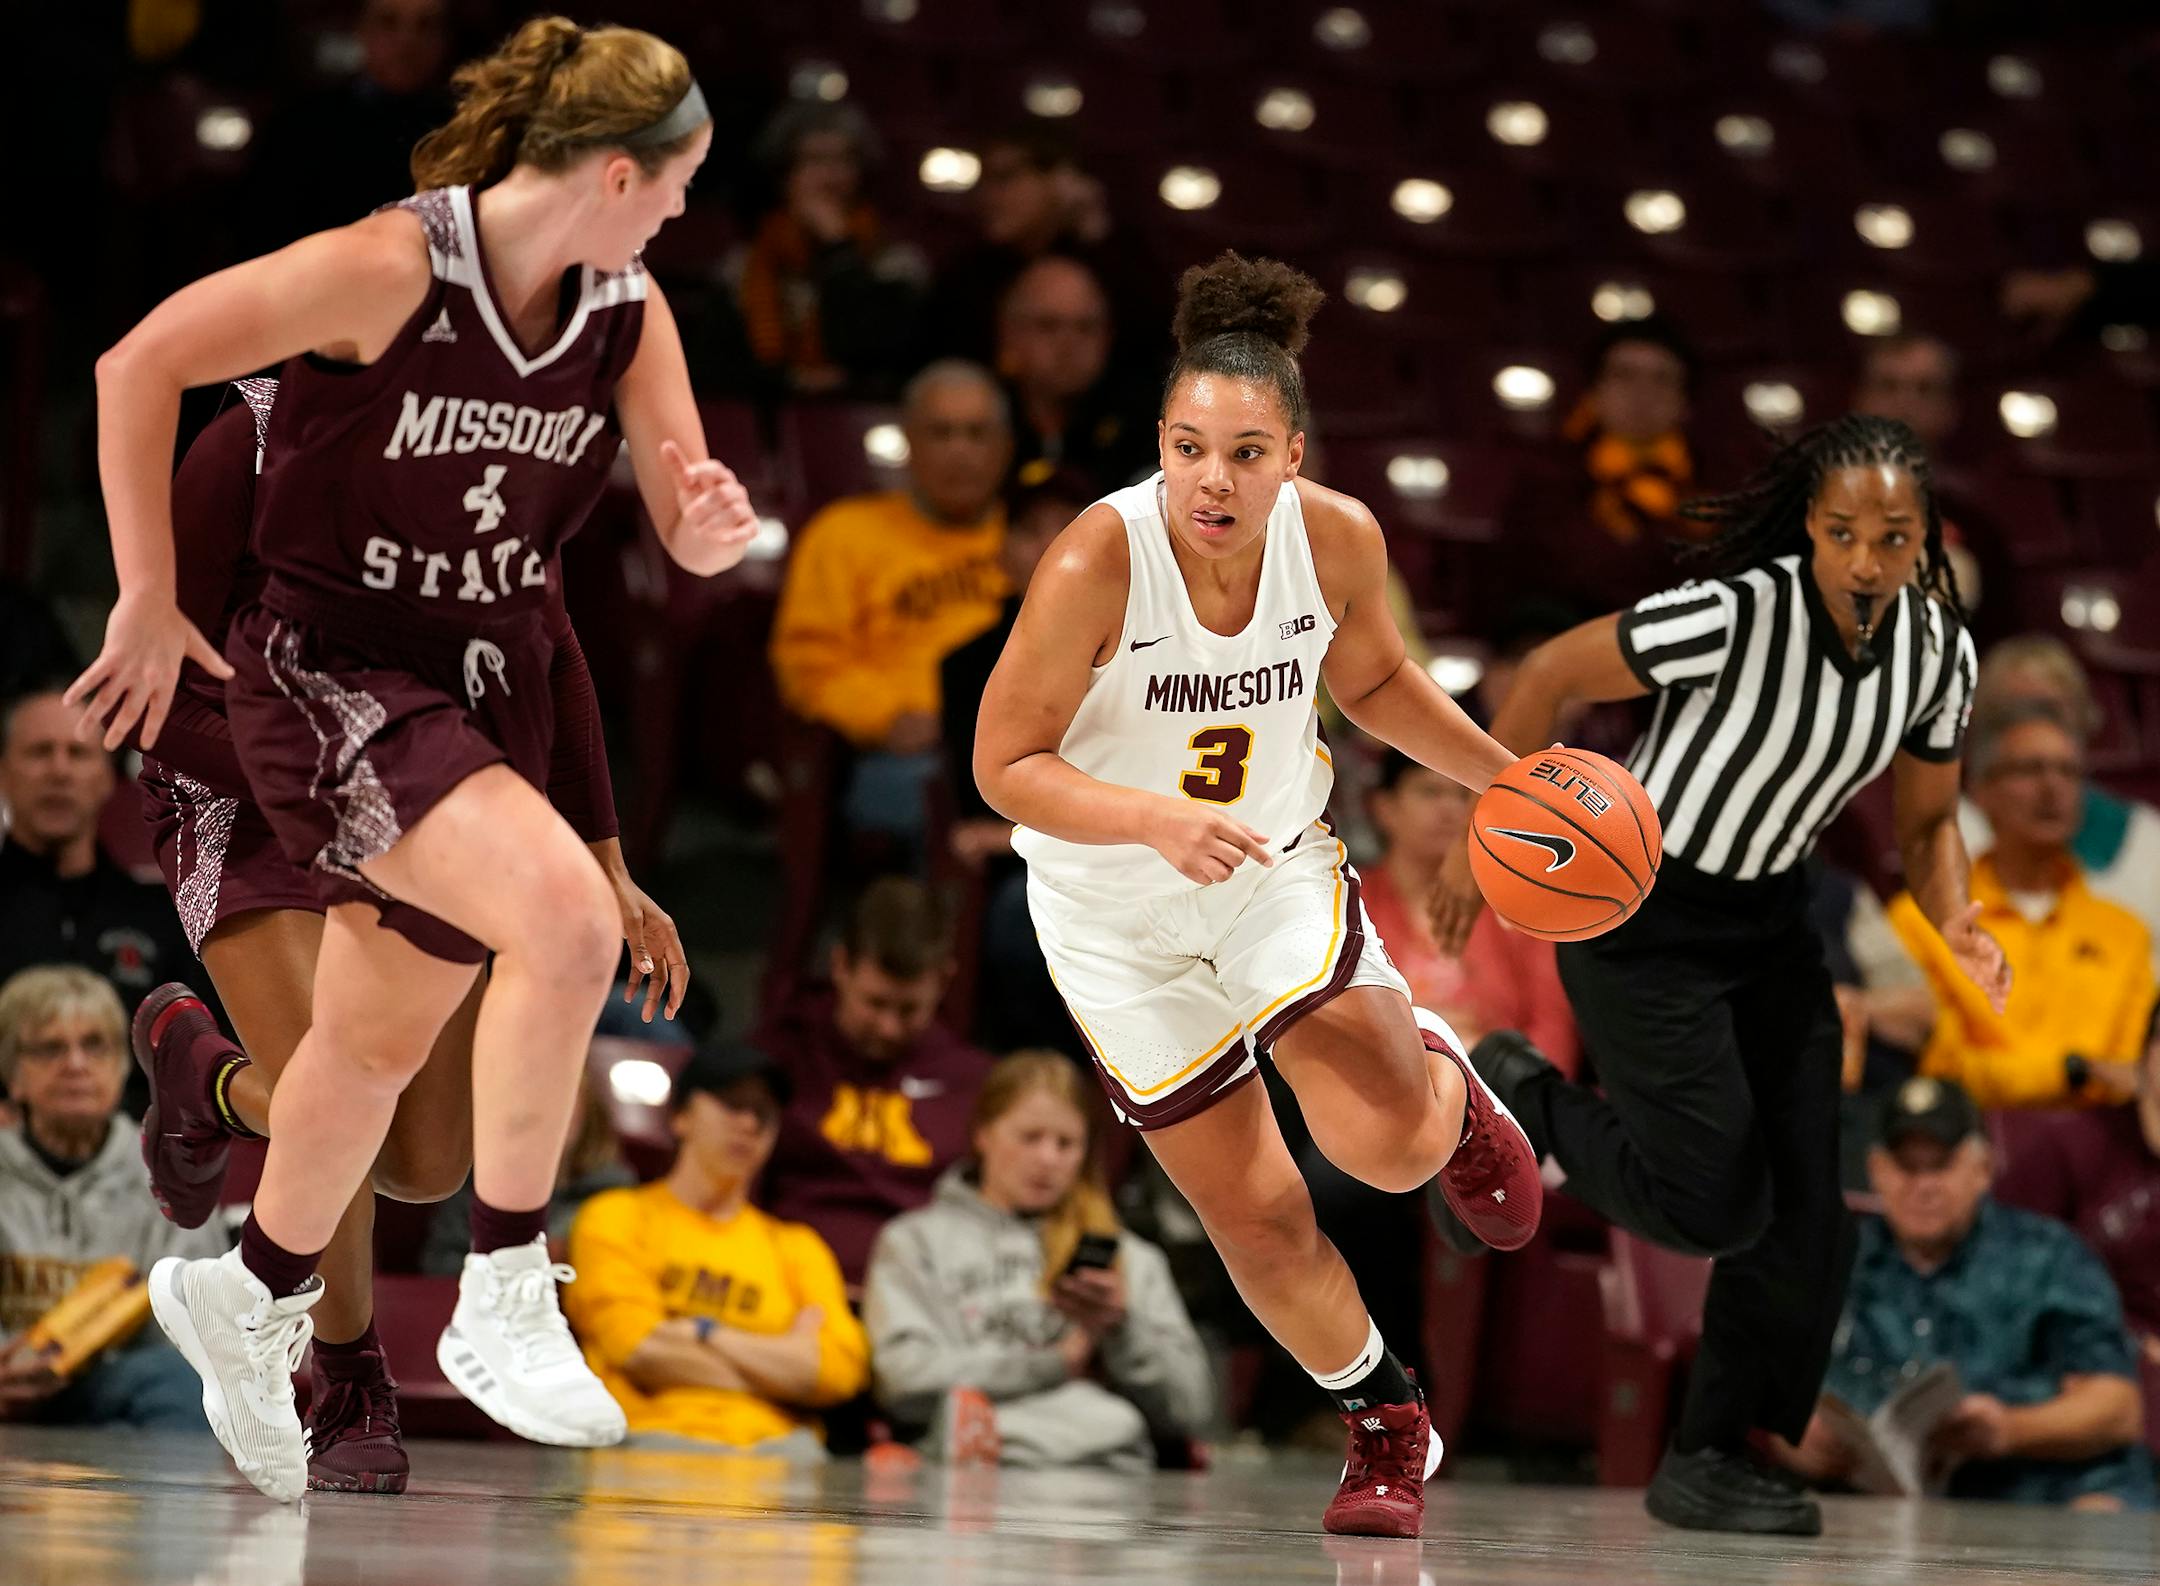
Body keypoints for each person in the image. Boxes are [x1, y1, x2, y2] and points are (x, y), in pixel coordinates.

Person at [68, 16, 758, 1503]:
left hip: (477, 695)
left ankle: (246, 1291)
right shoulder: (392, 267)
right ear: (618, 171)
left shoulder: (628, 309)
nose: (686, 213)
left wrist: (708, 530)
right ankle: (506, 1285)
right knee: (563, 919)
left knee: (376, 1063)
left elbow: (677, 519)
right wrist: (143, 594)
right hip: (329, 676)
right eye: (680, 183)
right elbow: (138, 361)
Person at [974, 252, 1543, 1538]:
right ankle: (1385, 1418)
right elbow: (1003, 764)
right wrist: (1154, 820)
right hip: (1112, 917)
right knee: (1259, 1215)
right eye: (1188, 450)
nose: (1213, 481)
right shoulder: (1095, 559)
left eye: (1243, 453)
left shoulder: (1335, 537)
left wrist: (1505, 778)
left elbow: (1376, 682)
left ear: (1294, 455)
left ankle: (1451, 1097)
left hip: (1268, 870)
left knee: (1383, 1148)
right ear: (1159, 447)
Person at [1432, 413, 2008, 1535]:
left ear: (1924, 538)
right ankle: (1519, 1095)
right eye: (1843, 533)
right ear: (1810, 526)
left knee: (1809, 1220)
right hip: (1642, 908)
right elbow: (1550, 670)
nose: (1866, 560)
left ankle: (1710, 1455)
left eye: (1893, 538)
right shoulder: (1738, 611)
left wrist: (1957, 918)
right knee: (1713, 1201)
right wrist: (1479, 827)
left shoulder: (1941, 652)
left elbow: (1929, 821)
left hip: (1772, 920)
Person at [118, 370, 684, 1496]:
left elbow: (555, 653)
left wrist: (607, 861)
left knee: (424, 1163)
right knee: (341, 1099)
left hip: (410, 797)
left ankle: (203, 1077)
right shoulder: (244, 446)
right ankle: (347, 1377)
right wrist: (322, 784)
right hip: (248, 794)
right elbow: (158, 696)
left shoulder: (497, 452)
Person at [1778, 1076, 2153, 1510]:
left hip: (2032, 1493)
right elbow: (1775, 1398)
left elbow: (2117, 1409)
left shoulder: (2048, 1256)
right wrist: (1796, 1441)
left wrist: (2010, 1429)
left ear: (1983, 1169)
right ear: (1877, 1170)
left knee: (2103, 1511)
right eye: (1906, 1167)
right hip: (1869, 1504)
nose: (1924, 1186)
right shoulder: (1836, 1260)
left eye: (1941, 1165)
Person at [864, 1050, 1214, 1468]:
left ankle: (999, 1437)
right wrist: (1054, 1364)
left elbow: (1193, 1409)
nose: (1048, 1159)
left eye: (1066, 1144)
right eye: (1030, 1138)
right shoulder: (914, 1243)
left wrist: (1122, 1329)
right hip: (964, 1475)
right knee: (1107, 1424)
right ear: (983, 1135)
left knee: (1112, 1423)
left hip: (1100, 1471)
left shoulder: (1130, 1259)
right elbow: (903, 1381)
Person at [564, 1040, 868, 1457]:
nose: (749, 1123)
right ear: (682, 1117)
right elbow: (637, 1348)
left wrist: (703, 1333)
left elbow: (839, 1372)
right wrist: (784, 1374)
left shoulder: (797, 1246)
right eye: (732, 1104)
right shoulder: (616, 1217)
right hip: (650, 1440)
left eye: (764, 1113)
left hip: (780, 1452)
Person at [768, 360, 1012, 850]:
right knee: (938, 793)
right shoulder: (844, 534)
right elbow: (806, 663)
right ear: (910, 443)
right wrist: (886, 718)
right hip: (903, 755)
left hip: (1022, 745)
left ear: (1005, 447)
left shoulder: (1035, 538)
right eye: (941, 433)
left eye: (976, 433)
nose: (960, 451)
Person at [1887, 698, 2153, 1108]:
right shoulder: (1922, 920)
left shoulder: (2124, 930)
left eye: (2068, 771)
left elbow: (2135, 1072)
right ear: (1979, 789)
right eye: (2030, 769)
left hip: (2105, 1138)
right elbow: (1944, 1065)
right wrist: (2072, 1071)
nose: (2052, 787)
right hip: (1973, 1134)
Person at [0, 967, 223, 1432]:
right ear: (13, 1075)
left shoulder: (171, 1171)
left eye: (95, 1045)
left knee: (178, 1382)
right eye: (50, 1048)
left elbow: (197, 1328)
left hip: (118, 1382)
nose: (75, 1064)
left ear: (123, 1067)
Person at [757, 878, 992, 1290]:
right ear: (840, 966)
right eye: (875, 1003)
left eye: (908, 1009)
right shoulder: (773, 1061)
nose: (888, 1028)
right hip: (784, 1287)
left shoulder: (979, 1084)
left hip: (930, 1299)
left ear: (944, 980)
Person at [940, 469, 1092, 1055]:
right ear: (1003, 553)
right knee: (1019, 913)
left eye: (1069, 531)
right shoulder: (965, 664)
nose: (1051, 548)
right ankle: (1038, 1075)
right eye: (1032, 532)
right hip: (1031, 862)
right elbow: (977, 807)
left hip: (1147, 849)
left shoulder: (1155, 650)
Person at [1359, 750, 1580, 1073]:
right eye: (1430, 792)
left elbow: (1553, 1023)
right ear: (1384, 807)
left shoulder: (1515, 905)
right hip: (1384, 1083)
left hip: (1504, 1086)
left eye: (1464, 795)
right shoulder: (1349, 900)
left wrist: (1524, 1088)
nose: (1451, 809)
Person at [0, 680, 200, 1024]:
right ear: (3, 773)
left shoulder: (166, 922)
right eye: (39, 752)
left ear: (107, 777)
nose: (59, 772)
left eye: (77, 753)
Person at [1958, 637, 2160, 961]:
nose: (2039, 730)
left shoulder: (2144, 837)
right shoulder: (1946, 833)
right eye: (2016, 716)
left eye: (2054, 714)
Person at [1994, 1005, 2160, 1398]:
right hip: (2097, 1364)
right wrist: (2128, 1341)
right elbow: (2008, 1269)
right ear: (2144, 1058)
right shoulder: (2072, 1146)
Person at [1500, 314, 1705, 619]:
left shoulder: (1720, 484)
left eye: (1661, 379)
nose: (1642, 394)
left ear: (1685, 402)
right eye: (1624, 375)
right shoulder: (1547, 477)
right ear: (1593, 393)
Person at [735, 100, 925, 397]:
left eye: (843, 161)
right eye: (814, 160)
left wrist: (838, 246)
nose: (830, 176)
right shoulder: (742, 268)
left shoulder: (895, 265)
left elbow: (876, 354)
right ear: (785, 176)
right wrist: (791, 380)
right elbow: (716, 371)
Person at [246, 0, 457, 248]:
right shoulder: (305, 126)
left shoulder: (461, 130)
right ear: (361, 29)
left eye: (426, 25)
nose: (407, 41)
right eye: (388, 22)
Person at [995, 254, 1159, 498]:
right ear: (1009, 333)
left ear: (1108, 337)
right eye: (1048, 326)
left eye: (1085, 327)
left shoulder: (1146, 423)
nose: (1068, 345)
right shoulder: (981, 418)